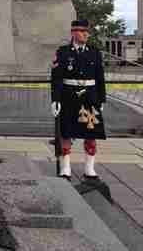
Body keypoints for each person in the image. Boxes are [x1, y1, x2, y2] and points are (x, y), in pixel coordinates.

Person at [51, 20, 106, 181]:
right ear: (74, 33)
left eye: (87, 31)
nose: (86, 34)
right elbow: (57, 78)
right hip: (69, 97)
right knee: (66, 132)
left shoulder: (94, 52)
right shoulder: (63, 52)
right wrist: (55, 100)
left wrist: (101, 99)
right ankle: (65, 167)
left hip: (89, 97)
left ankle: (89, 168)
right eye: (82, 31)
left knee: (91, 132)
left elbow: (100, 78)